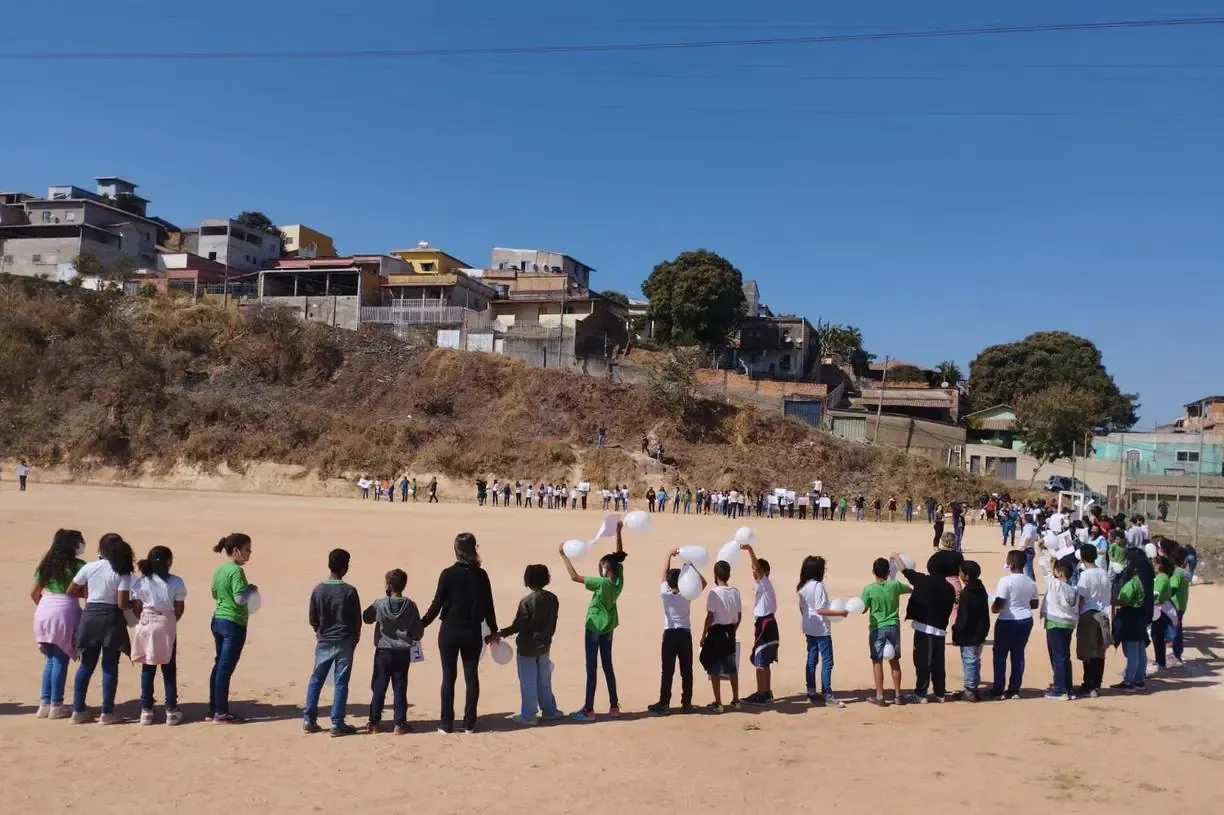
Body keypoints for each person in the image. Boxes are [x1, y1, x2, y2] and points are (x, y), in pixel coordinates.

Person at [422, 533, 498, 733]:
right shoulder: (481, 575)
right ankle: (469, 723)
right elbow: (489, 606)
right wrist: (494, 630)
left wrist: (421, 625)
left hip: (449, 630)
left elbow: (436, 604)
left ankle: (446, 723)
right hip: (472, 632)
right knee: (471, 676)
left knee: (448, 677)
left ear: (456, 551)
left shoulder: (448, 574)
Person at [561, 523, 626, 721]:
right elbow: (618, 556)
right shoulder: (618, 581)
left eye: (600, 566)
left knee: (592, 668)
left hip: (594, 627)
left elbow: (574, 577)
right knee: (608, 666)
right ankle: (614, 706)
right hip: (609, 627)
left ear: (606, 569)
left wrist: (564, 556)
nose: (599, 568)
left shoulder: (601, 583)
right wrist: (618, 532)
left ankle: (588, 709)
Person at [68, 533, 134, 724]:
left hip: (90, 616)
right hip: (111, 618)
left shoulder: (90, 567)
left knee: (86, 665)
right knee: (110, 666)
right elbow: (122, 603)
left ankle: (78, 709)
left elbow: (72, 590)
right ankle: (107, 712)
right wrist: (134, 605)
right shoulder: (122, 572)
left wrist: (89, 594)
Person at [304, 549, 362, 736]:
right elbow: (356, 619)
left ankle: (309, 719)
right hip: (345, 639)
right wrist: (355, 638)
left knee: (316, 679)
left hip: (324, 639)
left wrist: (319, 631)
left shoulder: (318, 589)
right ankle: (337, 723)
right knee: (341, 681)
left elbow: (313, 618)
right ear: (345, 568)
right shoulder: (349, 591)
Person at [31, 529, 87, 720]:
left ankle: (44, 703)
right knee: (60, 660)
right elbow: (85, 593)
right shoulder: (78, 565)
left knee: (50, 659)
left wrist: (46, 607)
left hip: (44, 610)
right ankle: (57, 704)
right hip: (66, 611)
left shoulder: (46, 564)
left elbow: (34, 593)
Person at [130, 546, 187, 726]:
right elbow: (179, 608)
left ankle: (146, 710)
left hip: (146, 621)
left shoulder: (141, 582)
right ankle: (171, 709)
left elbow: (136, 606)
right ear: (169, 562)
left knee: (148, 667)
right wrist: (170, 622)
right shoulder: (176, 582)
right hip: (166, 621)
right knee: (169, 668)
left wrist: (145, 619)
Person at [499, 564, 562, 725]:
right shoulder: (552, 598)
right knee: (544, 680)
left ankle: (529, 715)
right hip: (545, 645)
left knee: (528, 681)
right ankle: (549, 710)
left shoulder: (527, 601)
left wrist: (501, 633)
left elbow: (519, 625)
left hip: (527, 647)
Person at [363, 568, 424, 735]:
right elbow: (418, 630)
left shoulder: (380, 604)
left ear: (388, 585)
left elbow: (366, 617)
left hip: (383, 650)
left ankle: (374, 722)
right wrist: (413, 636)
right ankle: (399, 723)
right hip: (402, 651)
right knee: (400, 686)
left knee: (379, 686)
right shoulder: (410, 605)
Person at [648, 550, 705, 715]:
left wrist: (668, 555)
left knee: (667, 670)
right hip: (684, 634)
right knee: (686, 671)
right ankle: (686, 703)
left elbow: (663, 576)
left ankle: (664, 703)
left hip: (670, 634)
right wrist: (691, 568)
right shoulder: (687, 594)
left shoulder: (665, 594)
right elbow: (703, 583)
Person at [208, 533, 257, 724]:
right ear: (236, 550)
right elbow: (239, 599)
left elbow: (214, 593)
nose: (249, 553)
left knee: (219, 665)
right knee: (225, 669)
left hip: (218, 619)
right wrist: (251, 590)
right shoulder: (236, 571)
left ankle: (214, 708)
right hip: (233, 622)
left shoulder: (220, 570)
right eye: (247, 549)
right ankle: (220, 711)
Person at [897, 551, 957, 703]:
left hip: (924, 628)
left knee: (923, 661)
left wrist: (896, 557)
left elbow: (905, 571)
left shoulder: (923, 580)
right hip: (940, 630)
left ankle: (921, 693)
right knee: (938, 663)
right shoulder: (949, 588)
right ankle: (940, 692)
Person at [796, 555, 848, 707]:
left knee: (812, 658)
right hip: (820, 629)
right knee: (827, 661)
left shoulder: (803, 587)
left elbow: (802, 608)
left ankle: (811, 690)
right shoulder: (817, 586)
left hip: (809, 626)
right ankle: (827, 693)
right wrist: (840, 613)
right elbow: (821, 610)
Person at [859, 557, 910, 706]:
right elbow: (910, 589)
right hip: (893, 626)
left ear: (873, 572)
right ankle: (898, 695)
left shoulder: (868, 589)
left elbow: (863, 609)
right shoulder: (895, 585)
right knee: (895, 660)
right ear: (888, 572)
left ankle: (880, 696)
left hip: (877, 628)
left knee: (877, 661)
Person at [990, 549, 1038, 700]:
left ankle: (998, 688)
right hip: (1025, 619)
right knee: (1018, 654)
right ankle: (1014, 689)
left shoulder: (1005, 581)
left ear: (1010, 564)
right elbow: (1034, 604)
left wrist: (993, 607)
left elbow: (999, 602)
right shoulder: (1031, 582)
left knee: (1000, 654)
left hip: (1007, 620)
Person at [699, 560, 742, 712]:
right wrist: (732, 630)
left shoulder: (714, 593)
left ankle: (718, 702)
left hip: (716, 632)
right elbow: (739, 616)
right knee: (731, 668)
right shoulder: (735, 592)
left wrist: (703, 635)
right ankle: (736, 699)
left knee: (714, 668)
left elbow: (710, 617)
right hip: (729, 631)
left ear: (716, 575)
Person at [741, 544, 778, 706]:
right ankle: (766, 691)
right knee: (765, 661)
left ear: (765, 572)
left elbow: (757, 566)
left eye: (756, 571)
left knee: (760, 662)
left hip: (766, 624)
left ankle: (761, 693)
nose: (754, 573)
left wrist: (750, 550)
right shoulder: (763, 587)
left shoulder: (765, 584)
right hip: (766, 624)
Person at [1074, 543, 1112, 698]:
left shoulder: (1085, 575)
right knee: (1099, 652)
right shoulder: (1104, 572)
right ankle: (1096, 684)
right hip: (1103, 614)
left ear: (1082, 558)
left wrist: (1076, 614)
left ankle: (1088, 683)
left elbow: (1081, 598)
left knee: (1087, 651)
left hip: (1088, 614)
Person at [1112, 548, 1151, 691]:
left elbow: (1124, 600)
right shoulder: (1143, 579)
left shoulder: (1132, 582)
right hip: (1140, 615)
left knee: (1132, 651)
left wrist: (1112, 600)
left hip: (1130, 616)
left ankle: (1129, 681)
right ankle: (1139, 679)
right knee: (1140, 649)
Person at [951, 560, 990, 701]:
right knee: (975, 660)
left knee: (969, 660)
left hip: (968, 633)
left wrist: (956, 631)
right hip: (980, 631)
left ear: (966, 575)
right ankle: (974, 687)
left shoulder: (967, 593)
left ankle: (969, 690)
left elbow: (963, 617)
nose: (959, 574)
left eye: (961, 571)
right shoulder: (981, 588)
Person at [1041, 561, 1079, 700]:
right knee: (1064, 657)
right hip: (1067, 625)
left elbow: (1044, 570)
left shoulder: (1055, 584)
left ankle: (1060, 690)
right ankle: (1068, 688)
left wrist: (1039, 550)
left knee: (1058, 657)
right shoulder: (1072, 589)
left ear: (1060, 573)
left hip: (1055, 624)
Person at [1148, 555, 1175, 676]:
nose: (1153, 566)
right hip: (1159, 609)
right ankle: (1160, 661)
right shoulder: (1160, 577)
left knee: (1158, 636)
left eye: (1154, 563)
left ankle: (1161, 662)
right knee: (1156, 636)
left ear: (1159, 565)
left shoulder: (1162, 578)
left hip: (1161, 611)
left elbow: (1156, 595)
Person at [1168, 546, 1191, 667]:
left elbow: (1173, 588)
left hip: (1175, 605)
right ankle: (1177, 653)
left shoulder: (1177, 573)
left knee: (1175, 630)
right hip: (1181, 605)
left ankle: (1176, 655)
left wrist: (1165, 596)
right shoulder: (1184, 572)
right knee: (1178, 628)